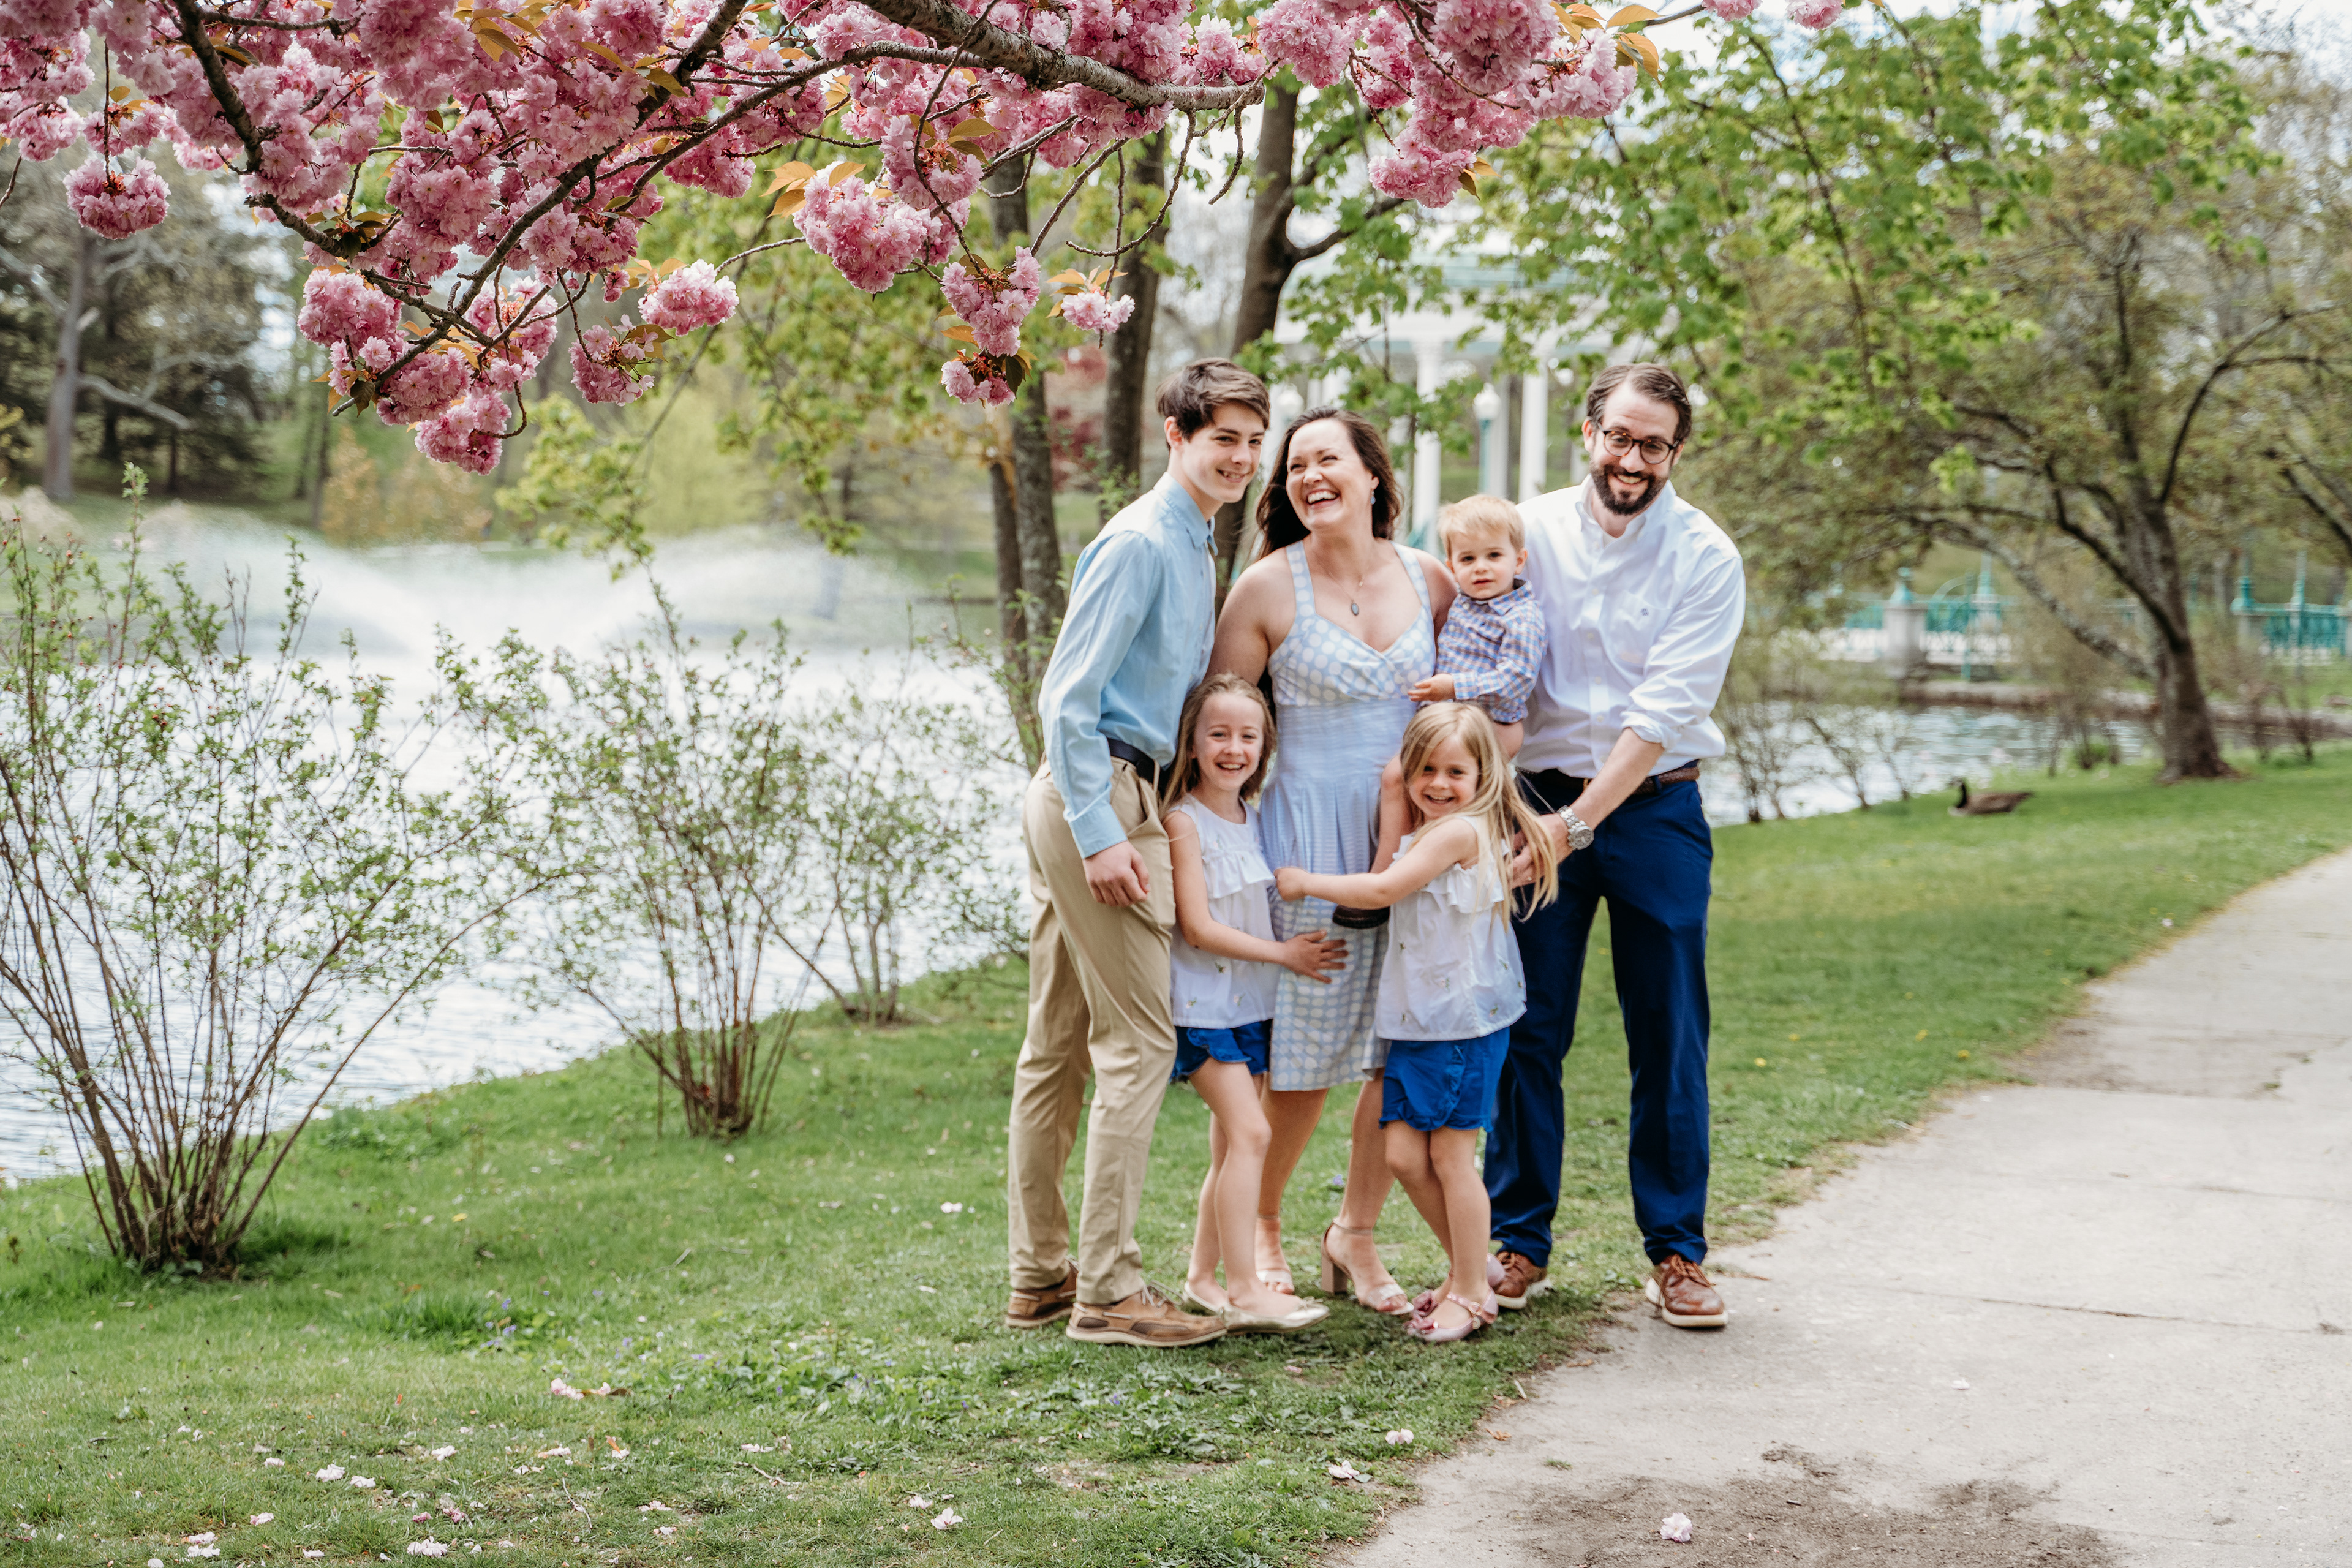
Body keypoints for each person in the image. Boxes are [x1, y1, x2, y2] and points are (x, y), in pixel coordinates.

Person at [1006, 359, 1271, 1349]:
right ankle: (1110, 1291)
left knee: (1059, 1047)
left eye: (1252, 441)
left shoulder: (1192, 542)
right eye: (1223, 439)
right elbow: (1068, 700)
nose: (1240, 457)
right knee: (1142, 1042)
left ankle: (1039, 1275)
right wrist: (1101, 830)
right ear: (1175, 431)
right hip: (1097, 793)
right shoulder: (1142, 541)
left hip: (1113, 789)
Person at [1483, 362, 1746, 1331]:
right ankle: (1517, 1243)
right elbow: (1477, 651)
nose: (1633, 459)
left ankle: (1677, 1254)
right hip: (1532, 803)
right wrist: (1513, 811)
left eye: (1655, 446)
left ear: (1676, 454)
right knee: (1526, 1027)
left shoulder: (1707, 558)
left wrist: (1576, 825)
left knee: (1670, 1033)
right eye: (1620, 437)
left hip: (1654, 811)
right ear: (1587, 431)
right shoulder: (1526, 532)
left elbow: (1663, 712)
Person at [1210, 407, 1455, 1315]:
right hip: (1306, 844)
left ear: (1374, 478)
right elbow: (1223, 727)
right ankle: (1263, 1225)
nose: (1312, 475)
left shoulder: (1432, 580)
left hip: (1415, 844)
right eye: (1297, 464)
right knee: (1304, 1062)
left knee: (1398, 1051)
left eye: (1330, 460)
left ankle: (1353, 1232)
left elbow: (1470, 709)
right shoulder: (1267, 589)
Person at [1274, 703, 1560, 1342]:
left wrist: (1302, 881)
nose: (1437, 783)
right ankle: (1474, 1264)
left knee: (1453, 1159)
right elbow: (1386, 868)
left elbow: (1379, 892)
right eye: (1424, 768)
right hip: (1417, 1022)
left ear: (1483, 774)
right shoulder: (1428, 828)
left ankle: (1469, 1289)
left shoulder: (1462, 832)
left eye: (1454, 771)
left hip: (1461, 1024)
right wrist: (1389, 789)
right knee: (1403, 1154)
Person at [1161, 674, 1340, 1335]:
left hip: (1252, 1007)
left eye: (1247, 735)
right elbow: (1200, 927)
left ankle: (1203, 1278)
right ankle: (1244, 1287)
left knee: (1230, 1149)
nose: (1233, 748)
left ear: (1264, 744)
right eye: (1219, 734)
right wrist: (1286, 955)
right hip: (1203, 1006)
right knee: (1254, 1133)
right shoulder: (1183, 820)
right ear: (1194, 741)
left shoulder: (1255, 816)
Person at [1374, 492, 1549, 870]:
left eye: (1494, 556)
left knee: (1460, 805)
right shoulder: (1463, 603)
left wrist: (1453, 687)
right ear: (1452, 566)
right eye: (1468, 559)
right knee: (1399, 783)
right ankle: (1390, 869)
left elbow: (1516, 681)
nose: (1481, 568)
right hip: (1447, 723)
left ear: (1518, 560)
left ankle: (1448, 876)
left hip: (1491, 725)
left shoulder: (1522, 617)